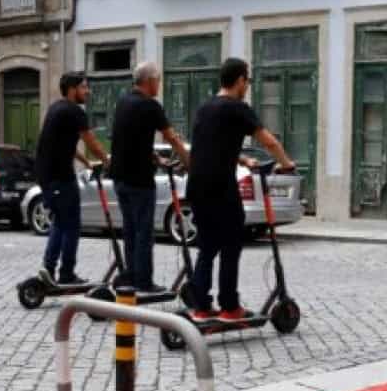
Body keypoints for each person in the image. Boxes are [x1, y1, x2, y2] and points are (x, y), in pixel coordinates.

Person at [187, 57, 294, 321]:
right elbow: (268, 141)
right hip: (221, 188)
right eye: (247, 81)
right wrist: (286, 164)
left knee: (207, 247)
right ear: (239, 81)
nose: (247, 86)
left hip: (197, 187)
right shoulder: (238, 108)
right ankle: (230, 306)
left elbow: (211, 146)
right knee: (231, 245)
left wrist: (243, 159)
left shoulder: (204, 108)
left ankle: (201, 307)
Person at [108, 61, 189, 293]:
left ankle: (132, 275)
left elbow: (132, 139)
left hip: (120, 177)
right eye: (159, 80)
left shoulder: (123, 102)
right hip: (139, 179)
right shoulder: (150, 106)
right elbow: (171, 137)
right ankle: (143, 281)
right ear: (150, 81)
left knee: (131, 230)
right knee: (144, 232)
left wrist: (156, 158)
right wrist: (188, 162)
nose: (159, 85)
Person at [35, 72, 110, 286]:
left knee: (61, 222)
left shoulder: (56, 108)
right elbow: (91, 141)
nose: (88, 91)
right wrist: (106, 160)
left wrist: (85, 162)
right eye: (84, 87)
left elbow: (64, 143)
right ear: (72, 89)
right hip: (59, 177)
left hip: (48, 177)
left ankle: (48, 269)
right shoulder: (74, 111)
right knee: (72, 226)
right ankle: (66, 273)